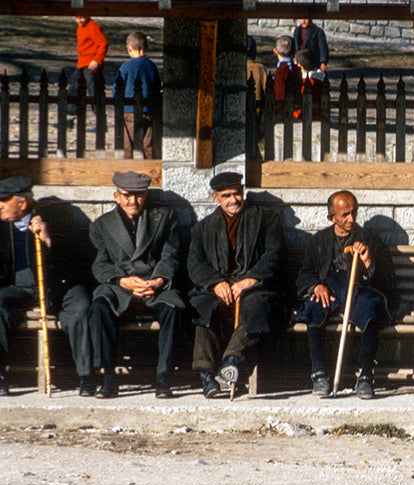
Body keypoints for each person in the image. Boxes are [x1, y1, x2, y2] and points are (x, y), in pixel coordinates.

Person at [188, 172, 286, 399]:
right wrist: (215, 283)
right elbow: (195, 263)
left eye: (237, 193)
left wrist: (250, 280)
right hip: (220, 288)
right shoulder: (203, 228)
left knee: (256, 305)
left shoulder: (265, 219)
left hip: (255, 286)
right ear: (216, 198)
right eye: (226, 195)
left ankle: (231, 361)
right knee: (205, 307)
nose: (233, 199)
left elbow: (274, 253)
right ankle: (207, 376)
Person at [89, 171, 186, 398]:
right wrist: (122, 280)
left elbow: (170, 255)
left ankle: (164, 377)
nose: (133, 201)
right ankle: (108, 376)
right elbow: (100, 264)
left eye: (139, 195)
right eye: (127, 196)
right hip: (120, 287)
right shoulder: (102, 225)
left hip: (154, 285)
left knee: (174, 309)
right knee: (98, 308)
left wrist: (159, 280)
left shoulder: (165, 217)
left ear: (146, 195)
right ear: (116, 196)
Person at [294, 190, 397, 399]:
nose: (351, 219)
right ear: (331, 218)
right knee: (313, 307)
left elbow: (388, 279)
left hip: (357, 290)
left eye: (354, 213)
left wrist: (368, 261)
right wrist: (315, 286)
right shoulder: (319, 241)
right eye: (345, 215)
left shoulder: (368, 239)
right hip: (329, 293)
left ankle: (367, 376)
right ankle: (319, 374)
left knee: (370, 308)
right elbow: (305, 273)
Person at [0, 176, 94, 396]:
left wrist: (50, 240)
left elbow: (83, 253)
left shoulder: (57, 217)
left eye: (4, 200)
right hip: (17, 288)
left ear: (22, 202)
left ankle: (86, 376)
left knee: (81, 306)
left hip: (57, 286)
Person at [115, 32, 160, 159]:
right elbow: (156, 88)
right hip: (148, 111)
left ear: (129, 48)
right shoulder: (151, 66)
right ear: (147, 48)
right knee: (148, 143)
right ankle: (150, 167)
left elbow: (117, 89)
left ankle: (128, 169)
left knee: (128, 144)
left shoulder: (125, 67)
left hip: (129, 110)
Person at [69, 15, 109, 116]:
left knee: (93, 87)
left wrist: (97, 60)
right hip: (82, 61)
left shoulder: (93, 27)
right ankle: (72, 109)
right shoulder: (81, 27)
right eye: (77, 18)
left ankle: (97, 111)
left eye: (82, 17)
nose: (79, 20)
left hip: (91, 62)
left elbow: (103, 44)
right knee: (75, 84)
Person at [272, 35, 298, 106]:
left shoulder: (280, 70)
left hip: (280, 108)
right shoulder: (298, 69)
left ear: (275, 51)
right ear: (294, 52)